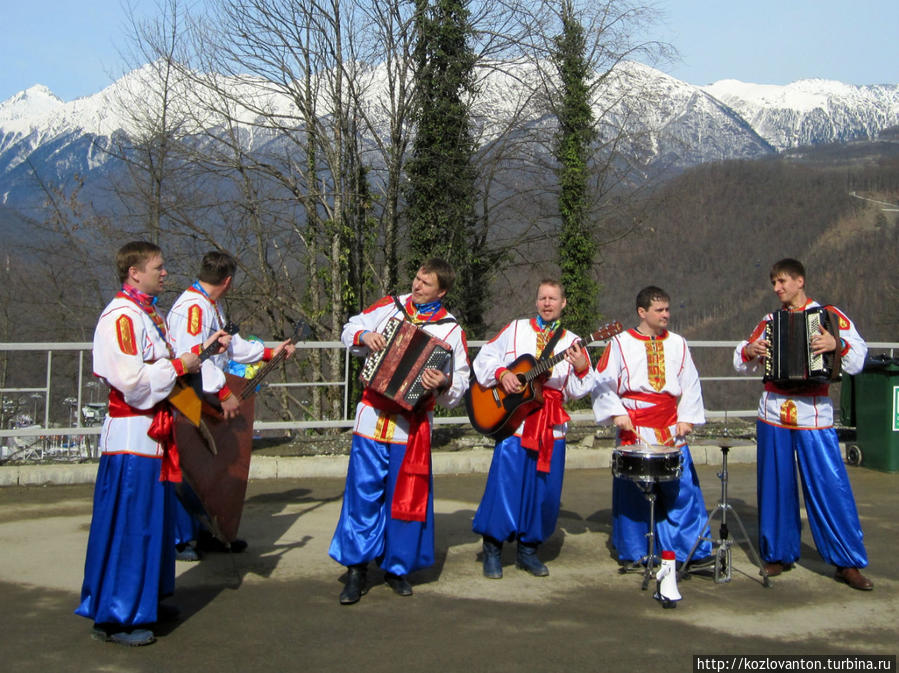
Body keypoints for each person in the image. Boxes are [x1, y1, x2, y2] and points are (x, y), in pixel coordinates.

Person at [75, 241, 226, 646]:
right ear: (134, 273)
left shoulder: (149, 313)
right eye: (157, 267)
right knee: (130, 524)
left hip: (153, 437)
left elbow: (167, 364)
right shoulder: (122, 317)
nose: (164, 273)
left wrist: (200, 354)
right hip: (132, 438)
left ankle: (146, 600)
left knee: (152, 524)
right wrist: (179, 365)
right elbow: (132, 381)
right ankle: (117, 615)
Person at [329, 259, 470, 604]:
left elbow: (461, 381)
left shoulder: (451, 330)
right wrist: (366, 335)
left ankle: (397, 567)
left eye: (427, 283)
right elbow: (350, 329)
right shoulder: (389, 307)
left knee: (404, 499)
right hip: (371, 416)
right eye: (418, 278)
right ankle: (356, 569)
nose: (418, 285)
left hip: (410, 427)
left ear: (442, 291)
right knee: (362, 496)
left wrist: (444, 382)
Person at [733, 258, 872, 590]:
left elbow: (861, 356)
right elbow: (740, 358)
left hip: (814, 411)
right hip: (774, 411)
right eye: (774, 284)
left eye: (781, 282)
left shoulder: (830, 317)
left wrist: (836, 344)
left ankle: (846, 560)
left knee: (829, 485)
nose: (777, 289)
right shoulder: (770, 321)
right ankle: (778, 553)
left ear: (799, 281)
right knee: (776, 484)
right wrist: (752, 350)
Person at [166, 250, 295, 558]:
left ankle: (210, 531)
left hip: (203, 394)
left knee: (209, 468)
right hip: (187, 395)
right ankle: (181, 539)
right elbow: (193, 356)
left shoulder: (211, 304)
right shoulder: (193, 309)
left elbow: (229, 346)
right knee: (187, 467)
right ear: (227, 281)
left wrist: (268, 352)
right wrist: (223, 392)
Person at [471, 279, 594, 578]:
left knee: (545, 491)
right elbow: (484, 357)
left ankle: (529, 549)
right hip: (516, 421)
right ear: (536, 301)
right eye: (542, 298)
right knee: (505, 485)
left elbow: (579, 390)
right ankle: (493, 548)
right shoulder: (515, 329)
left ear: (564, 303)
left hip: (550, 424)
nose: (547, 303)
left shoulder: (573, 342)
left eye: (553, 298)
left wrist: (580, 367)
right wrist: (502, 374)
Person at [591, 286, 712, 568]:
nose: (666, 315)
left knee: (681, 488)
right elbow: (602, 382)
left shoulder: (678, 343)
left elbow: (690, 382)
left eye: (668, 309)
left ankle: (685, 550)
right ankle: (638, 551)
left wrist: (687, 417)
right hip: (635, 426)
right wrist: (617, 413)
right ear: (642, 312)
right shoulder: (620, 343)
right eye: (659, 310)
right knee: (635, 490)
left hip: (670, 426)